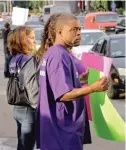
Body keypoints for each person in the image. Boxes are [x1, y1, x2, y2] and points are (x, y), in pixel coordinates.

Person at [36, 13, 109, 150]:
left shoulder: (57, 52)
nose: (79, 33)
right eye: (74, 29)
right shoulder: (58, 54)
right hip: (62, 133)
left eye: (80, 29)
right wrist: (93, 88)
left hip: (59, 133)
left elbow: (55, 84)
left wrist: (78, 81)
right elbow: (63, 94)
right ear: (60, 32)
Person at [7, 26, 37, 150]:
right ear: (23, 40)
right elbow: (31, 87)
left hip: (17, 107)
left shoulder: (14, 59)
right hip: (28, 109)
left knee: (22, 144)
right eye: (32, 38)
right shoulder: (28, 60)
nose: (35, 41)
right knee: (27, 146)